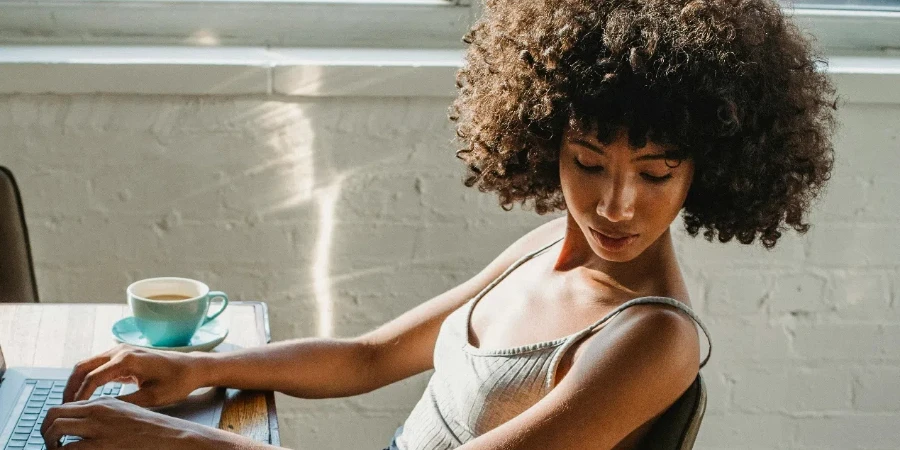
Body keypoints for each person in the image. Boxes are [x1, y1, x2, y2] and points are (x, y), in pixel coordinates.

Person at [40, 0, 837, 448]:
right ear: (545, 139)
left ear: (711, 169)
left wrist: (179, 442)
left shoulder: (651, 339)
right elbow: (369, 356)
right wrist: (201, 372)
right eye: (588, 162)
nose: (614, 205)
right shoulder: (544, 248)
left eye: (657, 174)